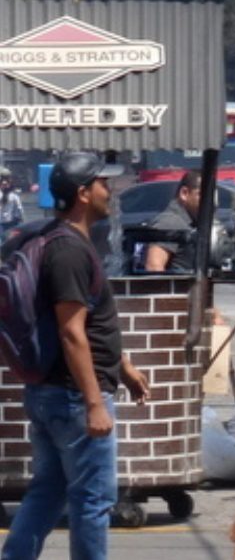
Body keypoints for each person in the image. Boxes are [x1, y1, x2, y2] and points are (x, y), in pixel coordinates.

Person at [2, 152, 150, 560]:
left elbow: (88, 326)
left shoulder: (58, 239)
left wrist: (124, 367)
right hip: (73, 397)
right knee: (92, 500)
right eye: (104, 183)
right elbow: (72, 332)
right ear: (83, 194)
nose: (111, 191)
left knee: (48, 490)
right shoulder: (68, 250)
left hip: (51, 394)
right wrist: (93, 404)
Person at [139, 170, 201, 273]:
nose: (212, 202)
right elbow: (154, 268)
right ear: (184, 193)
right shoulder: (170, 223)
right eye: (203, 195)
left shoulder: (190, 223)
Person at [0, 171, 23, 238]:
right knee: (10, 239)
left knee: (2, 238)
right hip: (11, 221)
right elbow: (19, 209)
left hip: (2, 221)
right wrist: (20, 218)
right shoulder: (14, 196)